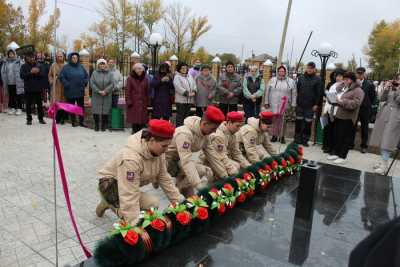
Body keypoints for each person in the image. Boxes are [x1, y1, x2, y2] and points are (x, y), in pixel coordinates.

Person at [95, 119, 185, 225]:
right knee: (129, 214)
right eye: (164, 146)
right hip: (109, 185)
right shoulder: (131, 158)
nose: (166, 150)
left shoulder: (159, 151)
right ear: (151, 140)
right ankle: (109, 201)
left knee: (153, 204)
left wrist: (181, 203)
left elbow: (164, 178)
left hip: (125, 184)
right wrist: (134, 225)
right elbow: (129, 194)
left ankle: (109, 203)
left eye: (168, 146)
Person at [166, 105, 225, 197]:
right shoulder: (185, 134)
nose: (214, 132)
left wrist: (225, 175)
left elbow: (213, 156)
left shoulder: (205, 134)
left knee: (191, 196)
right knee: (201, 171)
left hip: (179, 161)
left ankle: (180, 186)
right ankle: (175, 190)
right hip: (167, 163)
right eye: (213, 128)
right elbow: (187, 162)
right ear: (204, 124)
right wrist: (199, 185)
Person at [327, 72, 364, 165]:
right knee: (338, 136)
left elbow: (355, 104)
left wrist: (342, 101)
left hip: (349, 118)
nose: (345, 81)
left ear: (352, 80)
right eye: (344, 79)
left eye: (346, 79)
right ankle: (336, 153)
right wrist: (334, 99)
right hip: (340, 115)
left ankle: (343, 156)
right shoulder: (345, 88)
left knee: (346, 138)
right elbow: (338, 93)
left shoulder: (358, 90)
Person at [202, 111, 250, 179]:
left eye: (240, 126)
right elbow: (221, 157)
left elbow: (236, 153)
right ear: (229, 123)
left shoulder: (233, 134)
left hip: (222, 159)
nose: (239, 129)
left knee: (238, 166)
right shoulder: (219, 135)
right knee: (235, 167)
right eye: (237, 126)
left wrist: (249, 167)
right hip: (210, 162)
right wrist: (233, 172)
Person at [369, 79, 400, 174]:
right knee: (381, 139)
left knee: (387, 141)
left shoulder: (398, 89)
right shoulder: (392, 87)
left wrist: (398, 89)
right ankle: (382, 161)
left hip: (395, 116)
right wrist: (386, 88)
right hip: (384, 114)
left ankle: (384, 166)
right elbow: (381, 98)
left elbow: (398, 100)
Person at [264, 65, 296, 143]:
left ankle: (282, 136)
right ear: (277, 72)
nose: (281, 73)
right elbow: (267, 91)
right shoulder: (272, 80)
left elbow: (294, 93)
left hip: (285, 104)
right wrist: (266, 102)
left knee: (283, 121)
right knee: (274, 120)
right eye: (280, 71)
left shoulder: (291, 81)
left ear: (286, 72)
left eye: (283, 71)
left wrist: (293, 104)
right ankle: (274, 135)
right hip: (273, 103)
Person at [294, 62, 322, 146]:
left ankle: (305, 140)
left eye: (311, 68)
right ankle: (297, 138)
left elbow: (319, 93)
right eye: (308, 68)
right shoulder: (301, 77)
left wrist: (316, 104)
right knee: (298, 122)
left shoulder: (318, 79)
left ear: (314, 69)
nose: (309, 69)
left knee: (308, 123)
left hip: (310, 106)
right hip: (300, 104)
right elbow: (297, 90)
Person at [59, 52, 89, 127]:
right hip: (70, 91)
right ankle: (73, 122)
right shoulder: (66, 67)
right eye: (73, 58)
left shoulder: (81, 67)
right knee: (71, 107)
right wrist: (66, 84)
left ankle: (81, 122)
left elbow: (86, 76)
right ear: (70, 58)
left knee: (81, 107)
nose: (75, 59)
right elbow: (61, 77)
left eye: (76, 58)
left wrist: (84, 82)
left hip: (80, 90)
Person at [351, 67, 376, 153]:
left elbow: (373, 97)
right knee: (352, 126)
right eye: (358, 73)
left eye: (361, 73)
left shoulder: (369, 84)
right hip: (355, 108)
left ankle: (364, 146)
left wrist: (367, 104)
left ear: (364, 74)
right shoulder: (353, 84)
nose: (359, 75)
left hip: (365, 109)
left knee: (364, 128)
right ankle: (350, 144)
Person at [321, 69, 345, 154]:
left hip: (336, 111)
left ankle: (334, 149)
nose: (338, 78)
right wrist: (325, 110)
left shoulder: (344, 86)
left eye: (340, 76)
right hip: (329, 110)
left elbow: (341, 98)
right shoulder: (333, 85)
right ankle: (327, 146)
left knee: (336, 132)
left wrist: (335, 99)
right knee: (328, 130)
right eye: (337, 76)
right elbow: (328, 98)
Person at [20, 53, 47, 125]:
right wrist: (31, 73)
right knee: (28, 105)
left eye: (33, 57)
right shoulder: (23, 66)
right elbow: (22, 76)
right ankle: (29, 119)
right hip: (28, 89)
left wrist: (38, 72)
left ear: (35, 58)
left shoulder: (39, 65)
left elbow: (43, 75)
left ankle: (41, 118)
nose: (31, 59)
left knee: (39, 105)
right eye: (29, 57)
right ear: (26, 58)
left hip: (38, 89)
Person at [90, 59, 114, 132]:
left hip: (106, 95)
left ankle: (103, 125)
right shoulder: (94, 73)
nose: (102, 65)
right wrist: (98, 91)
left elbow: (112, 83)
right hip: (96, 95)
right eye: (100, 64)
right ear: (98, 65)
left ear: (106, 65)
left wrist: (105, 91)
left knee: (105, 111)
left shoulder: (110, 73)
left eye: (103, 64)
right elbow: (92, 83)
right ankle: (96, 125)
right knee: (96, 110)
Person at [126, 63, 149, 134]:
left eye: (140, 69)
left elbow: (147, 91)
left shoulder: (145, 79)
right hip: (134, 101)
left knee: (142, 118)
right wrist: (129, 101)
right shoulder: (130, 78)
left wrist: (148, 101)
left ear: (143, 70)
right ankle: (134, 131)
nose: (139, 70)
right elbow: (128, 90)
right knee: (135, 118)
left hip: (143, 101)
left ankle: (141, 132)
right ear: (134, 70)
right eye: (137, 69)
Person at [1, 49, 24, 115]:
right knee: (11, 95)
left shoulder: (18, 62)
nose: (11, 55)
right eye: (9, 54)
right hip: (9, 82)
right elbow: (3, 71)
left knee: (18, 95)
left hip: (17, 81)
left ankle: (19, 108)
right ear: (8, 55)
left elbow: (22, 70)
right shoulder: (6, 62)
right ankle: (13, 108)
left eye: (12, 54)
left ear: (14, 54)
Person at [173, 62, 197, 127]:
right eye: (182, 68)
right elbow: (178, 87)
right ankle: (179, 129)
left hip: (189, 100)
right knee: (180, 116)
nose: (184, 69)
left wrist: (194, 91)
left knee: (187, 116)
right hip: (181, 101)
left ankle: (186, 129)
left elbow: (194, 84)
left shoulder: (190, 76)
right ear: (179, 69)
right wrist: (187, 93)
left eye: (186, 68)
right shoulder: (177, 77)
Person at [48, 51, 66, 124]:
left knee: (64, 102)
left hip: (64, 86)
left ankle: (63, 118)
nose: (59, 58)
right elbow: (50, 75)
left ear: (63, 57)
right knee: (56, 102)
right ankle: (57, 118)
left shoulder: (66, 65)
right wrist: (52, 80)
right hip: (56, 86)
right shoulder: (53, 65)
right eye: (58, 56)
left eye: (61, 56)